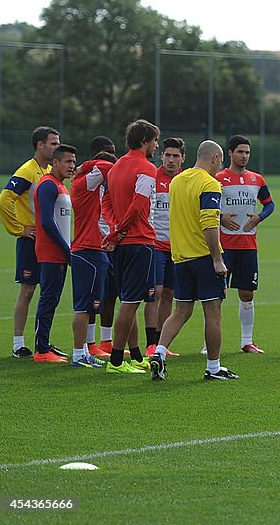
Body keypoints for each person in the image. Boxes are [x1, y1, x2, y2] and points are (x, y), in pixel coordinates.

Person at [150, 140, 237, 381]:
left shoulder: (177, 180)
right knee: (213, 313)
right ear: (216, 159)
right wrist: (217, 260)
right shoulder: (210, 183)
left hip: (180, 257)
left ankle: (159, 352)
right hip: (203, 257)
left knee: (180, 311)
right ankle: (213, 367)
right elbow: (209, 223)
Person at [103, 119, 159, 374]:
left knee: (129, 299)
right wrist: (121, 230)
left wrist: (114, 228)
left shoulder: (115, 168)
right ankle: (116, 361)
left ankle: (135, 355)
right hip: (139, 242)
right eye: (155, 141)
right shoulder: (147, 168)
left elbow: (105, 201)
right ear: (145, 141)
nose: (156, 146)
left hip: (123, 242)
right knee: (130, 303)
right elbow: (137, 205)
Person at [0, 126, 59, 358]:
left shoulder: (51, 171)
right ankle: (17, 344)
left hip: (48, 240)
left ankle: (43, 342)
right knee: (28, 290)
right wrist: (19, 229)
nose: (56, 147)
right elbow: (4, 201)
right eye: (52, 143)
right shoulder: (27, 171)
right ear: (39, 145)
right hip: (31, 240)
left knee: (49, 292)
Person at [217, 135, 275, 353]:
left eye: (247, 152)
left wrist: (259, 217)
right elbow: (204, 206)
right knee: (216, 295)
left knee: (247, 294)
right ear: (230, 153)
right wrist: (221, 217)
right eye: (240, 151)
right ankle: (209, 343)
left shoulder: (257, 180)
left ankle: (246, 341)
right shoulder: (218, 178)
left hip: (248, 246)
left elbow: (270, 205)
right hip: (223, 247)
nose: (244, 156)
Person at [70, 148, 118, 366]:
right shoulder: (84, 183)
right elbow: (110, 168)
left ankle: (85, 352)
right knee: (83, 306)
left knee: (91, 305)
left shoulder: (92, 188)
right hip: (87, 251)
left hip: (94, 250)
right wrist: (88, 165)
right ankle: (78, 354)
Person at [32, 145, 76, 364]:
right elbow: (47, 222)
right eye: (67, 161)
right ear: (55, 163)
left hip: (60, 251)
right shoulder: (48, 185)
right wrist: (66, 250)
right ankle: (40, 350)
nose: (71, 166)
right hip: (51, 252)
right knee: (48, 299)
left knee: (53, 298)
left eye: (73, 162)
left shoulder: (61, 186)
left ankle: (45, 343)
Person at [147, 137, 185, 357]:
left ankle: (161, 343)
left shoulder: (185, 180)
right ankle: (150, 342)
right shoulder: (153, 176)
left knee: (170, 293)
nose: (171, 160)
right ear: (162, 156)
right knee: (156, 292)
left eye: (175, 156)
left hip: (178, 247)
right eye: (168, 155)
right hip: (155, 244)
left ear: (183, 158)